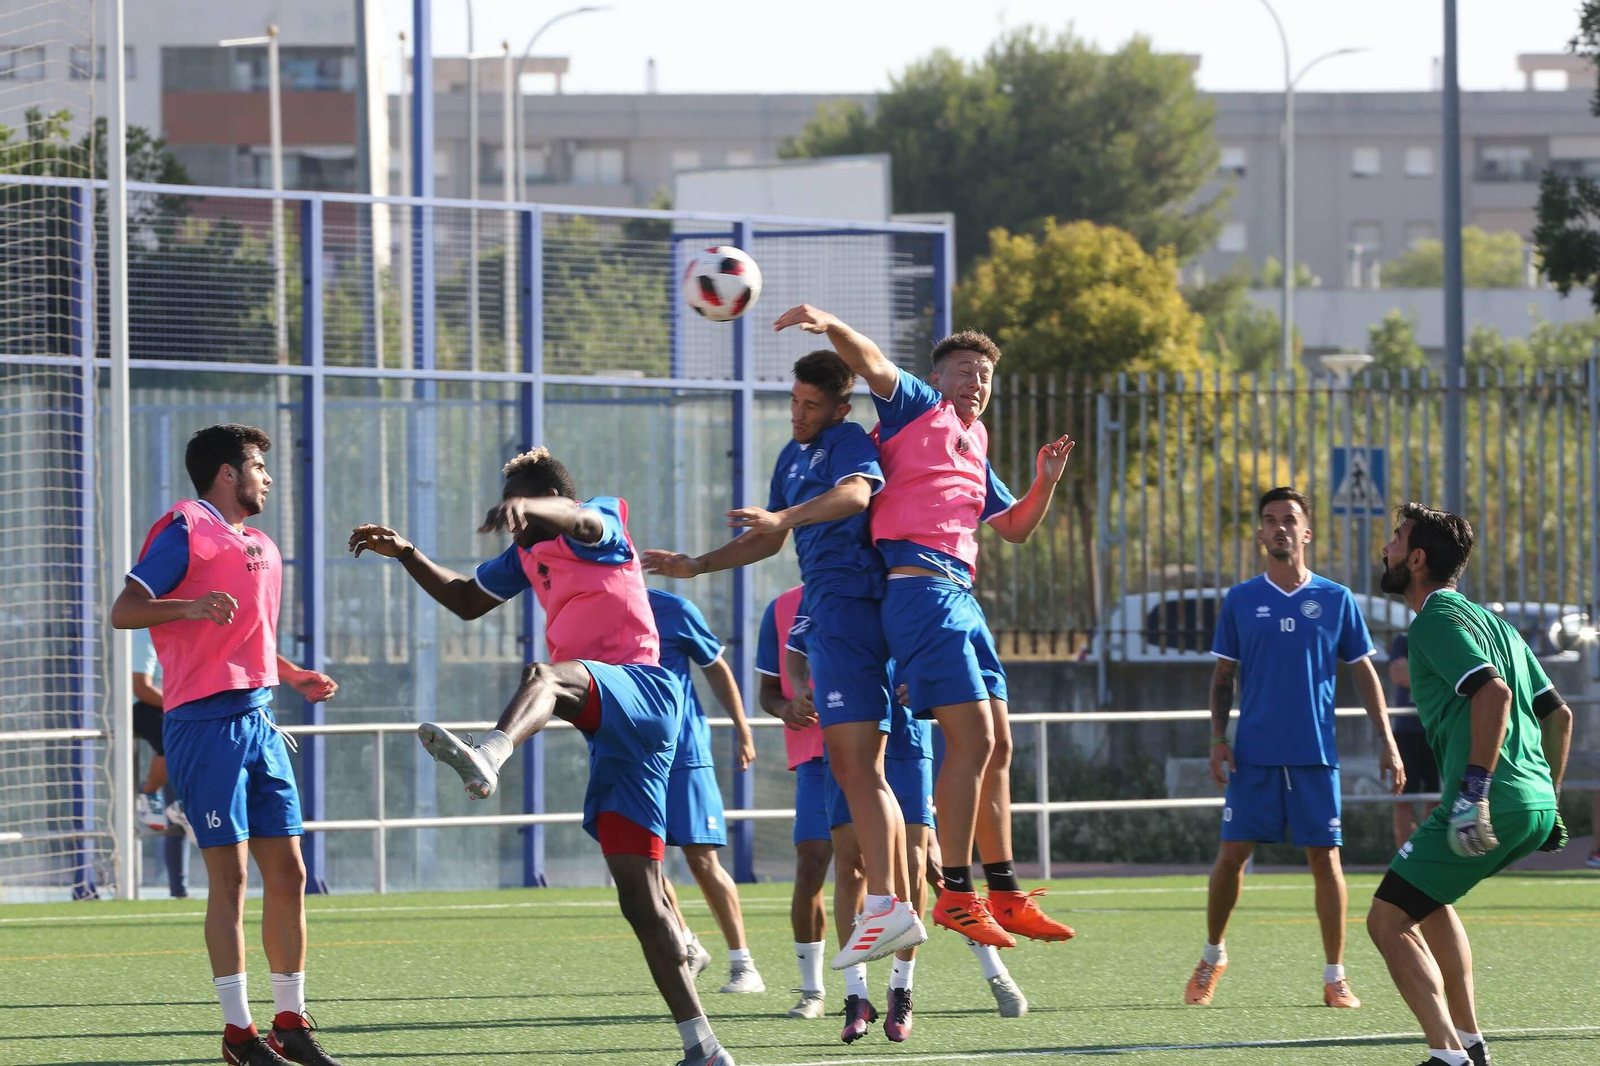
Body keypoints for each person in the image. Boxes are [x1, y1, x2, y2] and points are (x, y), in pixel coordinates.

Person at [349, 447, 734, 1066]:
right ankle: (704, 1047)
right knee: (640, 897)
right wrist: (407, 553)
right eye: (514, 518)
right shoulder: (527, 554)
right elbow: (467, 599)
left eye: (522, 513)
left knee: (544, 677)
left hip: (643, 689)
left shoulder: (599, 521)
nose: (518, 527)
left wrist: (533, 506)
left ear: (548, 499)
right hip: (612, 728)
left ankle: (492, 753)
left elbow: (579, 520)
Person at [772, 305, 1075, 949]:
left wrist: (1044, 484)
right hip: (920, 590)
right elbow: (870, 362)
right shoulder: (915, 407)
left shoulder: (975, 441)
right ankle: (958, 894)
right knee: (970, 742)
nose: (978, 382)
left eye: (987, 374)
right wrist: (832, 324)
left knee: (1000, 744)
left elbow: (1015, 528)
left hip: (961, 594)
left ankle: (1006, 889)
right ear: (938, 379)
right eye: (966, 370)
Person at [644, 348, 923, 969]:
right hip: (826, 615)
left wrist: (787, 515)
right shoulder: (791, 456)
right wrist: (697, 564)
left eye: (810, 406)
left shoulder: (848, 440)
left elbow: (854, 495)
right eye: (794, 403)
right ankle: (889, 903)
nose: (798, 415)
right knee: (851, 768)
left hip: (856, 605)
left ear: (838, 408)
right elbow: (767, 539)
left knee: (864, 768)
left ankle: (890, 904)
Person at [110, 424, 344, 1066]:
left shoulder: (261, 545)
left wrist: (294, 675)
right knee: (232, 878)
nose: (266, 477)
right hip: (203, 727)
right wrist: (187, 608)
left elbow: (250, 639)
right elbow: (125, 610)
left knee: (291, 872)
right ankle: (238, 1036)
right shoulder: (185, 526)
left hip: (260, 720)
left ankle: (290, 1024)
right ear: (225, 474)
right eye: (258, 467)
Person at [1367, 503, 1571, 1066]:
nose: (1385, 548)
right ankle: (1472, 1043)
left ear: (1416, 558)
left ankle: (1447, 1055)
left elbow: (1494, 695)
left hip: (1490, 800)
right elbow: (1560, 716)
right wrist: (1547, 799)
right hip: (1532, 803)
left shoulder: (1433, 619)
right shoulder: (1497, 624)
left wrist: (1474, 790)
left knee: (1385, 921)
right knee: (1429, 901)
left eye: (1395, 539)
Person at [1186, 486, 1404, 1010]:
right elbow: (1222, 678)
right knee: (1231, 857)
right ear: (1260, 533)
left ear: (1306, 532)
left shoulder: (1335, 599)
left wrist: (1387, 740)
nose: (1279, 528)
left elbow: (1363, 673)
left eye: (1289, 519)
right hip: (1253, 754)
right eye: (1270, 520)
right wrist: (1218, 739)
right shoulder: (1240, 600)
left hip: (1314, 755)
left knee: (1325, 860)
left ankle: (1335, 977)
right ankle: (1213, 955)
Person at [646, 588, 765, 995]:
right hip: (634, 758)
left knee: (702, 859)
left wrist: (742, 727)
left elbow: (715, 666)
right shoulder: (591, 614)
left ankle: (744, 964)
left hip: (684, 752)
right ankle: (688, 943)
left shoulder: (674, 608)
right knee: (640, 862)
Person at [754, 584, 834, 1020]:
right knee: (811, 863)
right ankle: (813, 992)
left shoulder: (872, 583)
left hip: (878, 747)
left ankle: (993, 971)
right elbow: (769, 691)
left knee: (921, 864)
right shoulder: (781, 605)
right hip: (815, 757)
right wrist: (787, 708)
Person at [130, 626, 190, 897]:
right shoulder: (143, 633)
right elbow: (141, 688)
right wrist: (180, 706)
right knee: (175, 737)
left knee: (202, 734)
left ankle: (185, 805)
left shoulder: (185, 627)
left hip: (175, 703)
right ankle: (150, 793)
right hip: (144, 706)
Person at [1390, 632, 1442, 850]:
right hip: (1408, 731)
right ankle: (1405, 855)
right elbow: (1400, 674)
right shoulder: (1404, 640)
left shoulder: (1446, 638)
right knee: (1404, 797)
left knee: (1437, 798)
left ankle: (1430, 851)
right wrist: (1438, 677)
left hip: (1438, 730)